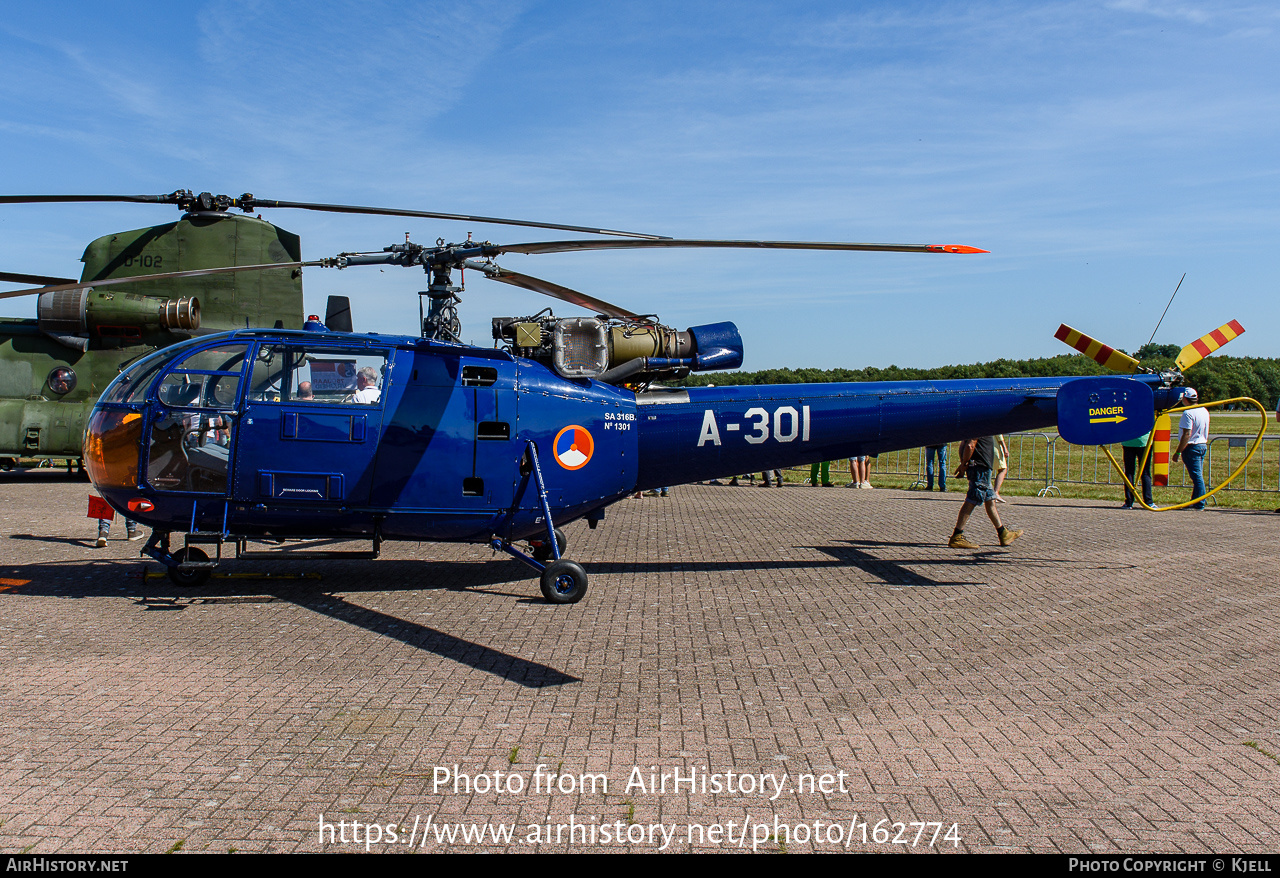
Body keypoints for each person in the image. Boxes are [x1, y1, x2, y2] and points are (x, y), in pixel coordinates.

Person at [948, 436, 1022, 549]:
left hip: (981, 468)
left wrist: (963, 463)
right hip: (980, 468)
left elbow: (963, 443)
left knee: (990, 501)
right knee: (972, 501)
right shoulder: (980, 424)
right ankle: (957, 536)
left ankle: (1003, 534)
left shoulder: (977, 423)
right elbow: (969, 445)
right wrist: (963, 464)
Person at [1171, 387, 1209, 509]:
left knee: (1197, 477)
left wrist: (1178, 452)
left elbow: (1187, 434)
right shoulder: (1204, 410)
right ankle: (1194, 501)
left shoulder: (1188, 413)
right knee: (1198, 475)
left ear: (1185, 399)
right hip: (1202, 444)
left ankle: (1200, 503)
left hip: (1192, 447)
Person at [1120, 429, 1154, 509]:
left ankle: (1129, 501)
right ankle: (1148, 501)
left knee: (1129, 472)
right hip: (1144, 441)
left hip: (1127, 440)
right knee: (1145, 472)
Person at [992, 434, 1010, 502]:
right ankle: (995, 492)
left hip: (985, 448)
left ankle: (991, 493)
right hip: (995, 448)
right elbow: (999, 436)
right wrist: (1005, 448)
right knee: (1003, 469)